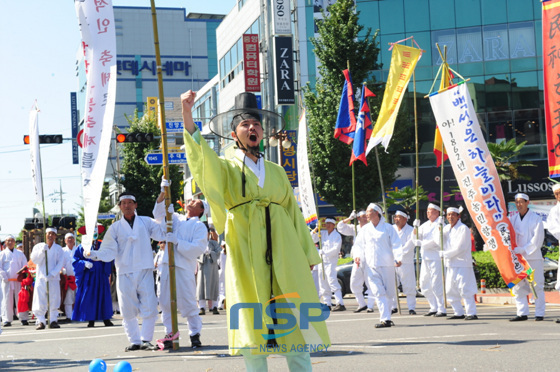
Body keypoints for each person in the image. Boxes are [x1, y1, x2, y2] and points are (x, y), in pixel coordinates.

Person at [181, 90, 329, 371]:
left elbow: (293, 213)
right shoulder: (225, 167)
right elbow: (202, 160)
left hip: (284, 247)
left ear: (263, 132)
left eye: (256, 124)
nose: (252, 128)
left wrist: (307, 254)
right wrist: (187, 115)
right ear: (234, 133)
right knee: (252, 321)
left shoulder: (276, 170)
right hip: (245, 248)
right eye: (245, 124)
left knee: (294, 321)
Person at [88, 191, 166, 351]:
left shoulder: (145, 222)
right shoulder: (115, 228)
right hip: (124, 271)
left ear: (135, 205)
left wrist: (162, 206)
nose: (127, 206)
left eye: (130, 202)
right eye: (124, 203)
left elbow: (160, 232)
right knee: (127, 308)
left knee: (150, 305)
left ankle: (146, 339)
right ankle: (135, 341)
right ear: (119, 206)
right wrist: (94, 254)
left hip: (144, 269)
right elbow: (108, 251)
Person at [152, 192, 208, 349]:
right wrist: (162, 196)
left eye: (196, 202)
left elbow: (198, 248)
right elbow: (158, 215)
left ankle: (194, 334)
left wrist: (177, 242)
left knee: (189, 302)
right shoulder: (176, 218)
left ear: (202, 210)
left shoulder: (199, 227)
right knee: (165, 301)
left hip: (183, 267)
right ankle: (170, 334)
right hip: (166, 264)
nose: (191, 202)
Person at [353, 204, 401, 328]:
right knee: (378, 292)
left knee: (389, 293)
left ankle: (388, 316)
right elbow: (358, 245)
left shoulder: (388, 228)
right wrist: (357, 255)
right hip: (371, 265)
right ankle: (385, 319)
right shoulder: (364, 229)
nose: (366, 214)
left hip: (387, 265)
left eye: (369, 212)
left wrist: (398, 258)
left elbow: (396, 244)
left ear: (376, 213)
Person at [509, 193, 545, 321]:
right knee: (518, 286)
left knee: (536, 285)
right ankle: (522, 312)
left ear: (527, 202)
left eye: (521, 202)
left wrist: (523, 249)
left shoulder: (536, 219)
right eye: (517, 202)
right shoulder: (512, 218)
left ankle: (539, 313)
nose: (519, 204)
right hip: (518, 259)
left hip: (532, 258)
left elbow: (537, 240)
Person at [440, 207, 478, 320]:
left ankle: (471, 312)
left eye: (453, 215)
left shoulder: (463, 229)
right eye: (448, 215)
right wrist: (439, 230)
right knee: (450, 290)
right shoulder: (446, 228)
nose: (450, 217)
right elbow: (439, 242)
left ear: (458, 216)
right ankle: (458, 312)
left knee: (465, 289)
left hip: (462, 264)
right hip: (451, 264)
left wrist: (446, 254)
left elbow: (460, 248)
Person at [337, 210, 376, 312]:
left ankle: (370, 306)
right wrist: (350, 218)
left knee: (370, 282)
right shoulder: (355, 228)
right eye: (362, 216)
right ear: (358, 218)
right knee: (354, 282)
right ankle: (362, 304)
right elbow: (340, 227)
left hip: (369, 258)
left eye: (365, 216)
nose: (365, 218)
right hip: (358, 259)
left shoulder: (372, 228)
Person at [72, 237, 114, 328]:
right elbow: (75, 260)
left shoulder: (103, 245)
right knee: (89, 296)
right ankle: (91, 320)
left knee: (103, 296)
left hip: (101, 274)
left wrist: (104, 260)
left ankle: (106, 318)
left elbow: (110, 256)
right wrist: (84, 263)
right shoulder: (82, 246)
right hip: (90, 274)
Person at [414, 203, 446, 317]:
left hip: (436, 258)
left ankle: (442, 308)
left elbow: (437, 242)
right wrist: (415, 228)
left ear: (437, 212)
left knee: (436, 284)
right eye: (427, 210)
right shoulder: (425, 225)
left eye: (430, 210)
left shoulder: (440, 224)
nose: (428, 212)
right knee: (424, 284)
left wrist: (422, 244)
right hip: (425, 258)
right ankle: (433, 306)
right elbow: (415, 238)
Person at [30, 227, 66, 329]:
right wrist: (42, 251)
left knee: (54, 299)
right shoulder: (38, 246)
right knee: (40, 299)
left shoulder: (59, 249)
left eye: (52, 234)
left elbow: (60, 263)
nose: (50, 235)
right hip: (41, 277)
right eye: (48, 233)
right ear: (45, 235)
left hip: (53, 278)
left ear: (55, 236)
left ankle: (53, 320)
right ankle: (41, 320)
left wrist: (53, 273)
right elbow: (34, 260)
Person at [312, 218, 345, 311]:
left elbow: (335, 249)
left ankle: (340, 303)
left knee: (332, 281)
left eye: (330, 223)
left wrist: (324, 252)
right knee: (323, 282)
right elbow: (312, 238)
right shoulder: (322, 233)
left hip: (331, 262)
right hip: (322, 261)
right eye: (326, 223)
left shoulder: (337, 235)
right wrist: (316, 229)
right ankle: (327, 303)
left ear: (334, 224)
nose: (328, 225)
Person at [392, 210, 417, 315]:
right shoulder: (391, 229)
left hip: (405, 262)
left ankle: (411, 307)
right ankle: (393, 306)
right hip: (392, 262)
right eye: (395, 217)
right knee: (392, 285)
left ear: (405, 219)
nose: (396, 219)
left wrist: (400, 259)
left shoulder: (411, 230)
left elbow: (409, 246)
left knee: (409, 286)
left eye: (399, 217)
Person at [0, 235, 28, 326]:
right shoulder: (2, 253)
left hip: (18, 280)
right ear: (5, 242)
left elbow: (25, 265)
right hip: (7, 281)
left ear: (14, 242)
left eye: (11, 240)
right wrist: (4, 276)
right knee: (7, 300)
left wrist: (22, 274)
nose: (10, 242)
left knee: (21, 299)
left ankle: (23, 318)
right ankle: (7, 319)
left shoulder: (20, 253)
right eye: (8, 241)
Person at [197, 227, 221, 315]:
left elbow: (218, 252)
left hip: (212, 267)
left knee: (213, 286)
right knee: (201, 288)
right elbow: (195, 253)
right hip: (202, 267)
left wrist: (211, 253)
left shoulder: (214, 243)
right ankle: (202, 307)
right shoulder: (198, 243)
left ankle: (214, 306)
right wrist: (203, 255)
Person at [60, 233, 78, 323]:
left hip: (79, 278)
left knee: (80, 297)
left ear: (74, 240)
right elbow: (60, 264)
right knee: (68, 298)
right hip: (68, 278)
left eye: (71, 238)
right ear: (65, 241)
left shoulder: (78, 249)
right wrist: (62, 270)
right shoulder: (62, 251)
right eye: (68, 238)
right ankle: (69, 316)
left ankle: (80, 315)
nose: (70, 240)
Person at [217, 241, 227, 310]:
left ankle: (221, 303)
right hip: (227, 272)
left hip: (221, 272)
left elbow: (218, 263)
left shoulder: (220, 254)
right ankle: (223, 303)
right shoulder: (229, 254)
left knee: (221, 289)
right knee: (226, 288)